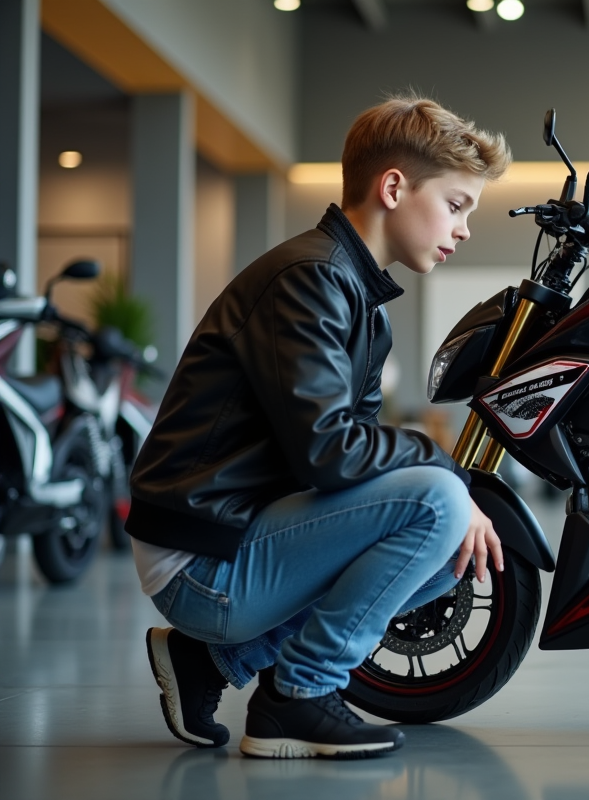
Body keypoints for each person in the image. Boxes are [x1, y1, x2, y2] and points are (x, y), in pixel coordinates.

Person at [126, 95, 511, 760]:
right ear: (393, 187)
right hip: (201, 560)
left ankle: (211, 664)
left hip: (237, 537)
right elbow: (330, 454)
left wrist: (449, 491)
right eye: (456, 205)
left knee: (452, 545)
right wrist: (444, 471)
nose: (465, 228)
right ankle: (298, 696)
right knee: (438, 501)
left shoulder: (359, 301)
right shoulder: (311, 279)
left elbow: (352, 470)